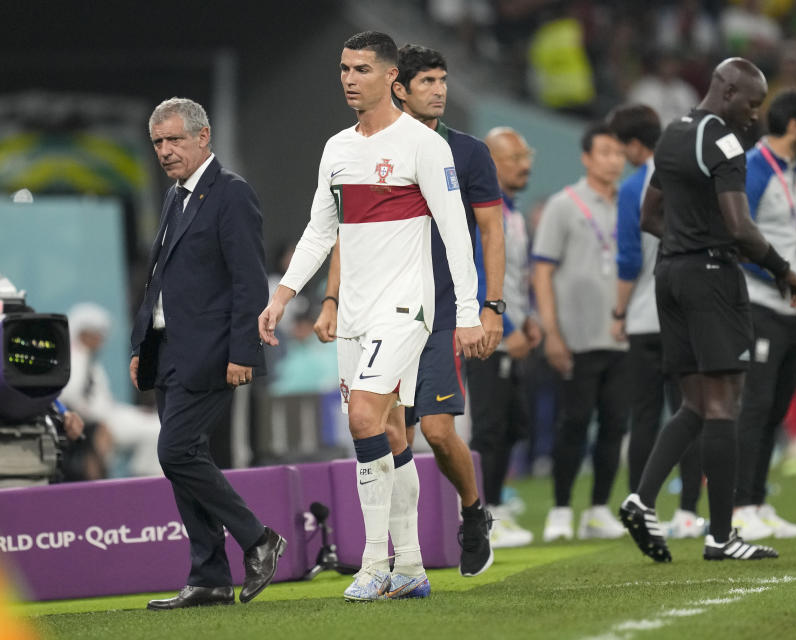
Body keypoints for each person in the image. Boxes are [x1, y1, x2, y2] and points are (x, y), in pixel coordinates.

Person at [259, 32, 484, 601]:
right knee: (386, 429)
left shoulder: (423, 146)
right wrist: (284, 295)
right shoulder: (336, 148)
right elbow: (320, 229)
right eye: (343, 68)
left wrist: (468, 312)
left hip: (407, 307)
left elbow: (458, 233)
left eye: (361, 68)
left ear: (390, 78)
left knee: (362, 418)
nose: (348, 78)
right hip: (356, 312)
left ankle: (372, 562)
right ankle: (409, 566)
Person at [312, 43, 503, 577]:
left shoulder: (464, 152)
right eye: (428, 82)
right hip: (375, 309)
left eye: (443, 80)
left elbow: (488, 229)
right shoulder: (358, 149)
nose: (439, 90)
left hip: (438, 309)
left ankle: (471, 511)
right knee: (393, 432)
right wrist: (331, 299)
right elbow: (345, 233)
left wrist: (489, 307)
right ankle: (405, 563)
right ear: (400, 87)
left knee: (438, 431)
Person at [618, 58, 796, 563]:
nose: (754, 115)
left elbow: (648, 215)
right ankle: (722, 536)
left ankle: (640, 498)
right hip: (711, 279)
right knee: (725, 403)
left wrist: (686, 241)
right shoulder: (725, 142)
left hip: (670, 277)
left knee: (696, 404)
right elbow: (741, 226)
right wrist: (782, 269)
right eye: (751, 102)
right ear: (726, 91)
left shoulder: (673, 135)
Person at [130, 97, 285, 609]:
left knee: (175, 452)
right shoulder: (177, 197)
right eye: (158, 142)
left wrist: (243, 351)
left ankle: (258, 539)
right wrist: (141, 346)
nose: (166, 151)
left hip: (213, 352)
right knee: (184, 460)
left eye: (175, 139)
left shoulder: (231, 194)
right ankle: (210, 577)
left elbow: (248, 281)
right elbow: (158, 280)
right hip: (170, 350)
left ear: (204, 137)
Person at [607, 103, 706, 540]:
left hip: (646, 318)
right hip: (685, 315)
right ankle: (688, 511)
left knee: (645, 417)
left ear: (632, 144)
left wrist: (619, 312)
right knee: (691, 410)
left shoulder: (632, 188)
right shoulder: (687, 175)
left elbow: (628, 259)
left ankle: (641, 506)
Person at [532, 122, 630, 542]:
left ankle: (597, 510)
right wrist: (551, 331)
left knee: (614, 425)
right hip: (576, 337)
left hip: (621, 336)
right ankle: (559, 510)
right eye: (604, 152)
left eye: (618, 152)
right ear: (586, 157)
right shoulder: (564, 205)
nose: (613, 160)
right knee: (573, 424)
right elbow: (542, 270)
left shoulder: (630, 204)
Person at [731, 90, 796, 541]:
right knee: (755, 407)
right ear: (794, 127)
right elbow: (735, 238)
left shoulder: (792, 169)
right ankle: (739, 506)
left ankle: (758, 501)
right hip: (758, 305)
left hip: (789, 310)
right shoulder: (754, 168)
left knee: (773, 411)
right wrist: (783, 279)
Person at [469, 126, 541, 548]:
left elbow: (515, 277)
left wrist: (528, 318)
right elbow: (478, 276)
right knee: (490, 426)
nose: (525, 164)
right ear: (492, 162)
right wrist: (507, 328)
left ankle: (495, 500)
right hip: (487, 334)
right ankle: (482, 512)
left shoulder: (512, 212)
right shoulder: (484, 214)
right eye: (514, 157)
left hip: (513, 330)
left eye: (526, 155)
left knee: (515, 424)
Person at [61, 302, 163, 477]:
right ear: (85, 334)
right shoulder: (75, 359)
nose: (101, 340)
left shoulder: (89, 361)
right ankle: (144, 479)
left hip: (110, 415)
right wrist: (96, 423)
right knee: (157, 429)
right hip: (99, 422)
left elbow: (104, 402)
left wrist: (136, 411)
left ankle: (145, 477)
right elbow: (71, 397)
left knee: (157, 421)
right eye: (97, 334)